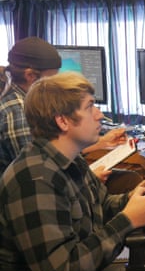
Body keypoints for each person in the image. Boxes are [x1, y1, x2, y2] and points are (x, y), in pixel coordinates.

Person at [0, 71, 145, 271]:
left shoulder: (70, 160)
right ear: (63, 121)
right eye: (90, 107)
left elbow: (102, 204)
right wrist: (128, 220)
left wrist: (133, 199)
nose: (99, 115)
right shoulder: (35, 180)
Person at [0, 36, 127, 180]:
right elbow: (36, 175)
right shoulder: (19, 111)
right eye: (52, 78)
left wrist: (100, 143)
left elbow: (52, 153)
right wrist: (89, 181)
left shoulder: (17, 95)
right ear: (30, 75)